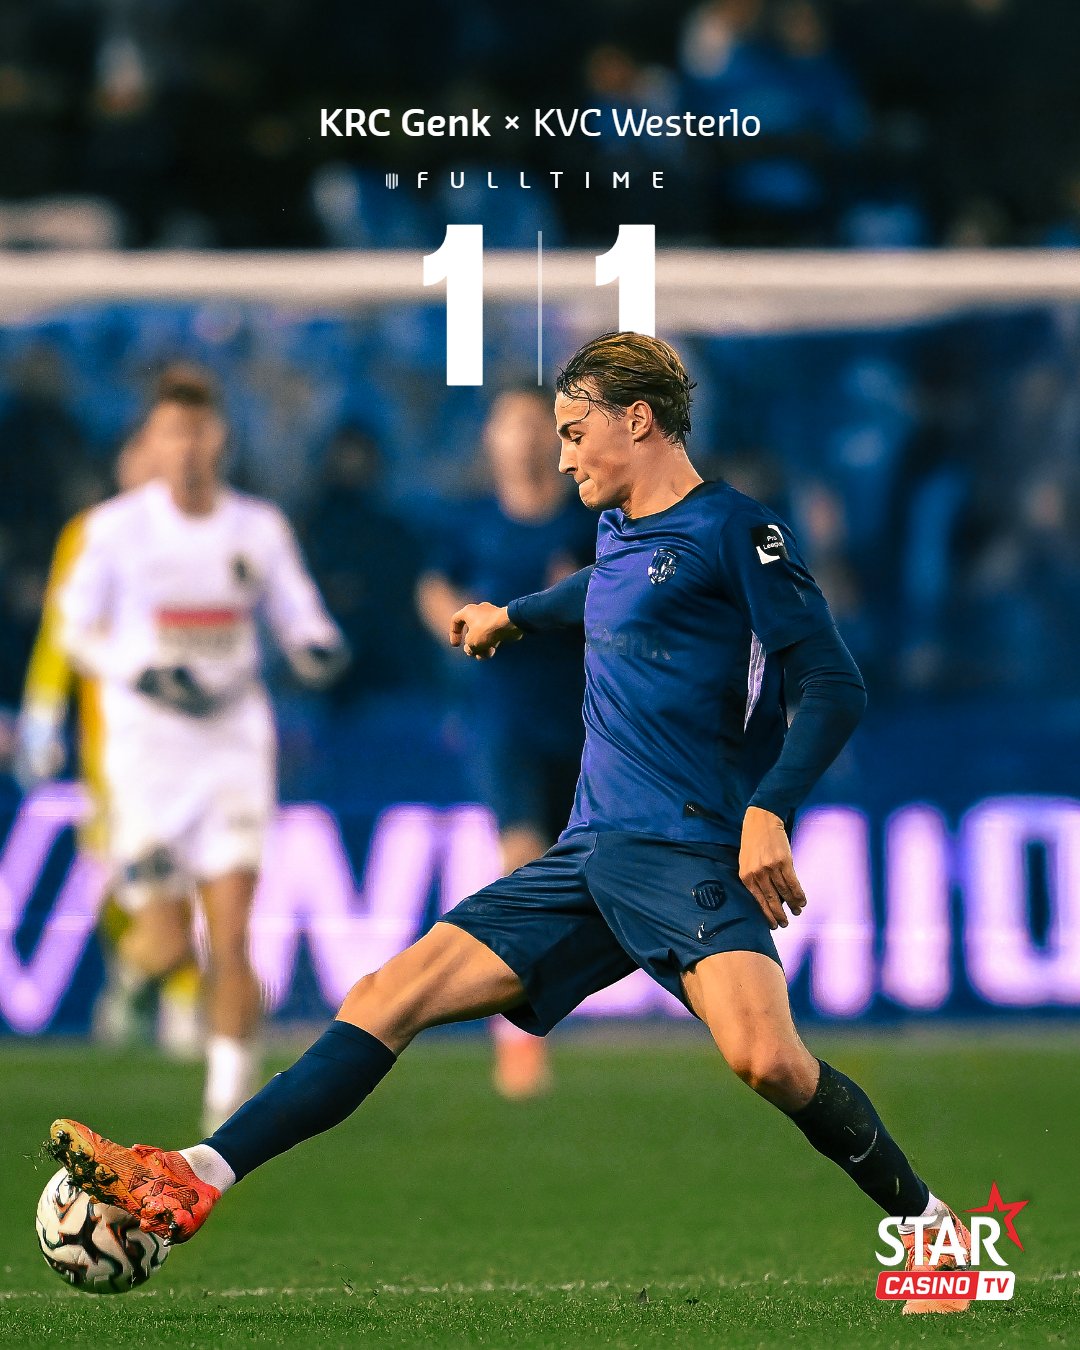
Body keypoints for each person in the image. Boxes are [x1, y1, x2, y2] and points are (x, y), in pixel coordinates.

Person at [49, 333, 971, 1317]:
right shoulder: (618, 532)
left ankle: (935, 1231)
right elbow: (606, 591)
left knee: (770, 1063)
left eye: (574, 433)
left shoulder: (737, 532)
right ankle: (194, 1174)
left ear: (639, 422)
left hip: (686, 849)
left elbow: (832, 682)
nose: (562, 457)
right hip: (590, 855)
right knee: (387, 993)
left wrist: (769, 810)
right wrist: (516, 615)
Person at [51, 371, 346, 1134]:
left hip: (231, 746)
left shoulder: (257, 527)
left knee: (233, 931)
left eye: (197, 432)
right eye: (171, 435)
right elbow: (73, 629)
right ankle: (136, 970)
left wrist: (315, 646)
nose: (185, 449)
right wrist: (138, 668)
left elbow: (298, 612)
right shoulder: (114, 530)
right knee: (169, 936)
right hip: (147, 754)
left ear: (220, 440)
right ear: (151, 445)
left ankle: (226, 1106)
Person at [416, 386, 595, 1097]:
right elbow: (433, 587)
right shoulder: (473, 524)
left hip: (585, 722)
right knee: (520, 863)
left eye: (533, 424)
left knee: (584, 880)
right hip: (504, 721)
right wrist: (456, 625)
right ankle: (517, 1036)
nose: (521, 438)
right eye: (509, 424)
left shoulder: (589, 522)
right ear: (490, 439)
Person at [16, 403, 201, 1057]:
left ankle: (176, 1001)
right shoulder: (92, 535)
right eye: (143, 454)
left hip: (196, 746)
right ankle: (137, 982)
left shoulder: (203, 536)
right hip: (115, 749)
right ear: (125, 463)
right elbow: (60, 635)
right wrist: (42, 715)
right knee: (129, 881)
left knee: (190, 874)